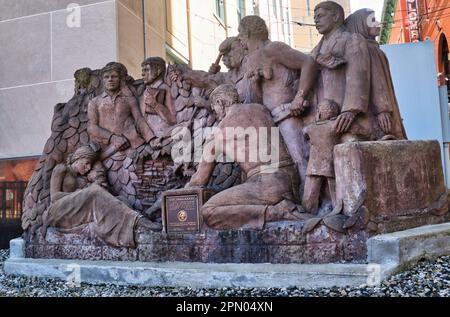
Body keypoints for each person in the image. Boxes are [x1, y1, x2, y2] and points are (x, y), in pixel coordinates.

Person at [186, 85, 302, 230]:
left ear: (221, 103)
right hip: (292, 179)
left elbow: (199, 179)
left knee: (208, 210)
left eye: (214, 107)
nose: (214, 112)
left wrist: (187, 185)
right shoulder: (260, 108)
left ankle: (277, 212)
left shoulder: (219, 133)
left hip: (268, 185)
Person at [237, 15, 318, 197]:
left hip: (288, 115)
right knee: (283, 168)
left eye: (241, 34)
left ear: (250, 33)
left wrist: (300, 96)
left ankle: (311, 204)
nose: (240, 39)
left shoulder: (272, 48)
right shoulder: (251, 60)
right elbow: (256, 101)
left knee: (301, 161)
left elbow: (308, 62)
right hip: (270, 121)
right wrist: (255, 83)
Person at [42, 143, 161, 248]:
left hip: (76, 210)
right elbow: (54, 196)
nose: (88, 168)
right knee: (94, 191)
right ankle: (138, 220)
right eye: (86, 163)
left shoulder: (82, 179)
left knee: (121, 199)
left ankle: (135, 222)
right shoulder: (62, 169)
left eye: (90, 165)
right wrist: (80, 192)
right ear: (78, 158)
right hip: (58, 211)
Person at [308, 1, 373, 142]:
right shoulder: (314, 51)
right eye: (315, 18)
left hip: (347, 118)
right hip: (322, 117)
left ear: (336, 16)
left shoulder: (351, 40)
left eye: (320, 16)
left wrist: (350, 110)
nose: (316, 20)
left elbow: (357, 76)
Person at [344, 8, 407, 140]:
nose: (378, 23)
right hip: (376, 115)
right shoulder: (369, 49)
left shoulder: (370, 48)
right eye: (372, 20)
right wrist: (382, 110)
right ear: (360, 24)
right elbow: (378, 82)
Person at [140, 57, 177, 139]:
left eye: (146, 70)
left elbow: (173, 119)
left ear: (158, 70)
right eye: (142, 71)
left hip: (164, 136)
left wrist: (155, 105)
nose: (142, 74)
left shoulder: (166, 88)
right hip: (149, 138)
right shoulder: (145, 91)